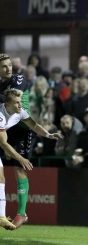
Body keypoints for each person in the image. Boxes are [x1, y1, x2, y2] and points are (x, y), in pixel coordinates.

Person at [0, 89, 63, 230]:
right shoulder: (0, 116)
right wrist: (21, 158)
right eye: (17, 103)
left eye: (20, 101)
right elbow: (3, 143)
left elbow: (33, 125)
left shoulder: (20, 111)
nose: (20, 105)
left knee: (1, 178)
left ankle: (2, 217)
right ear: (7, 105)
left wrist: (48, 135)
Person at [0, 53, 37, 229]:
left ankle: (21, 213)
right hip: (5, 127)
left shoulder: (19, 79)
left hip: (22, 129)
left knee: (19, 170)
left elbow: (12, 96)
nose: (8, 69)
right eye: (4, 66)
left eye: (9, 65)